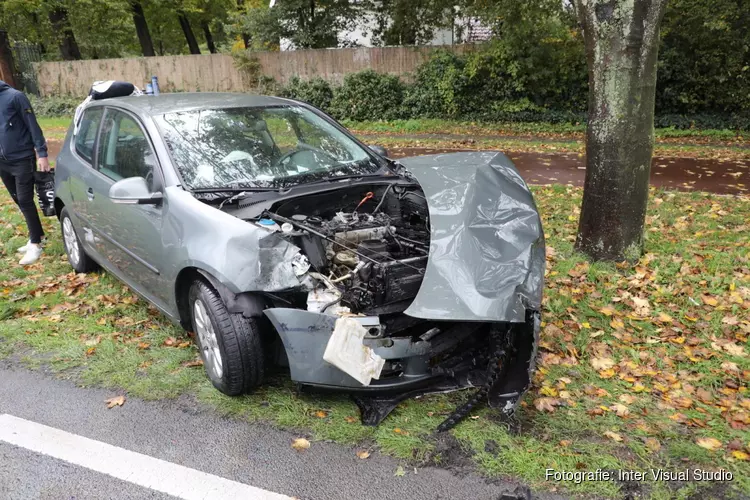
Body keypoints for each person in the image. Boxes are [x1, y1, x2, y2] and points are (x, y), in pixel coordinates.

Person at [0, 80, 50, 265]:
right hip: (2, 162)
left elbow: (33, 126)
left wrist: (42, 154)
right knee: (16, 198)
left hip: (22, 158)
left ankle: (36, 245)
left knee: (25, 199)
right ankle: (37, 234)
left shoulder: (15, 97)